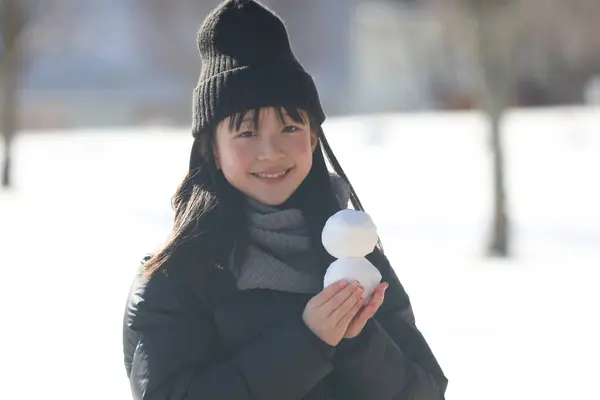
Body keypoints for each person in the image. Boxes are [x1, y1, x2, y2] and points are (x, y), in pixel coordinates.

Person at [122, 1, 447, 399]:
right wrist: (308, 342)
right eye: (246, 133)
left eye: (290, 126)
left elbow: (425, 392)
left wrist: (355, 340)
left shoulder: (357, 260)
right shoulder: (176, 277)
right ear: (211, 150)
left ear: (312, 139)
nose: (271, 150)